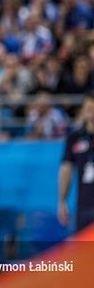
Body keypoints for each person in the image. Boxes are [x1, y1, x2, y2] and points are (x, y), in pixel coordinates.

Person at [58, 92, 94, 232]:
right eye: (88, 108)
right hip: (84, 206)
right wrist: (62, 201)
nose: (90, 112)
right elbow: (66, 169)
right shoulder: (75, 136)